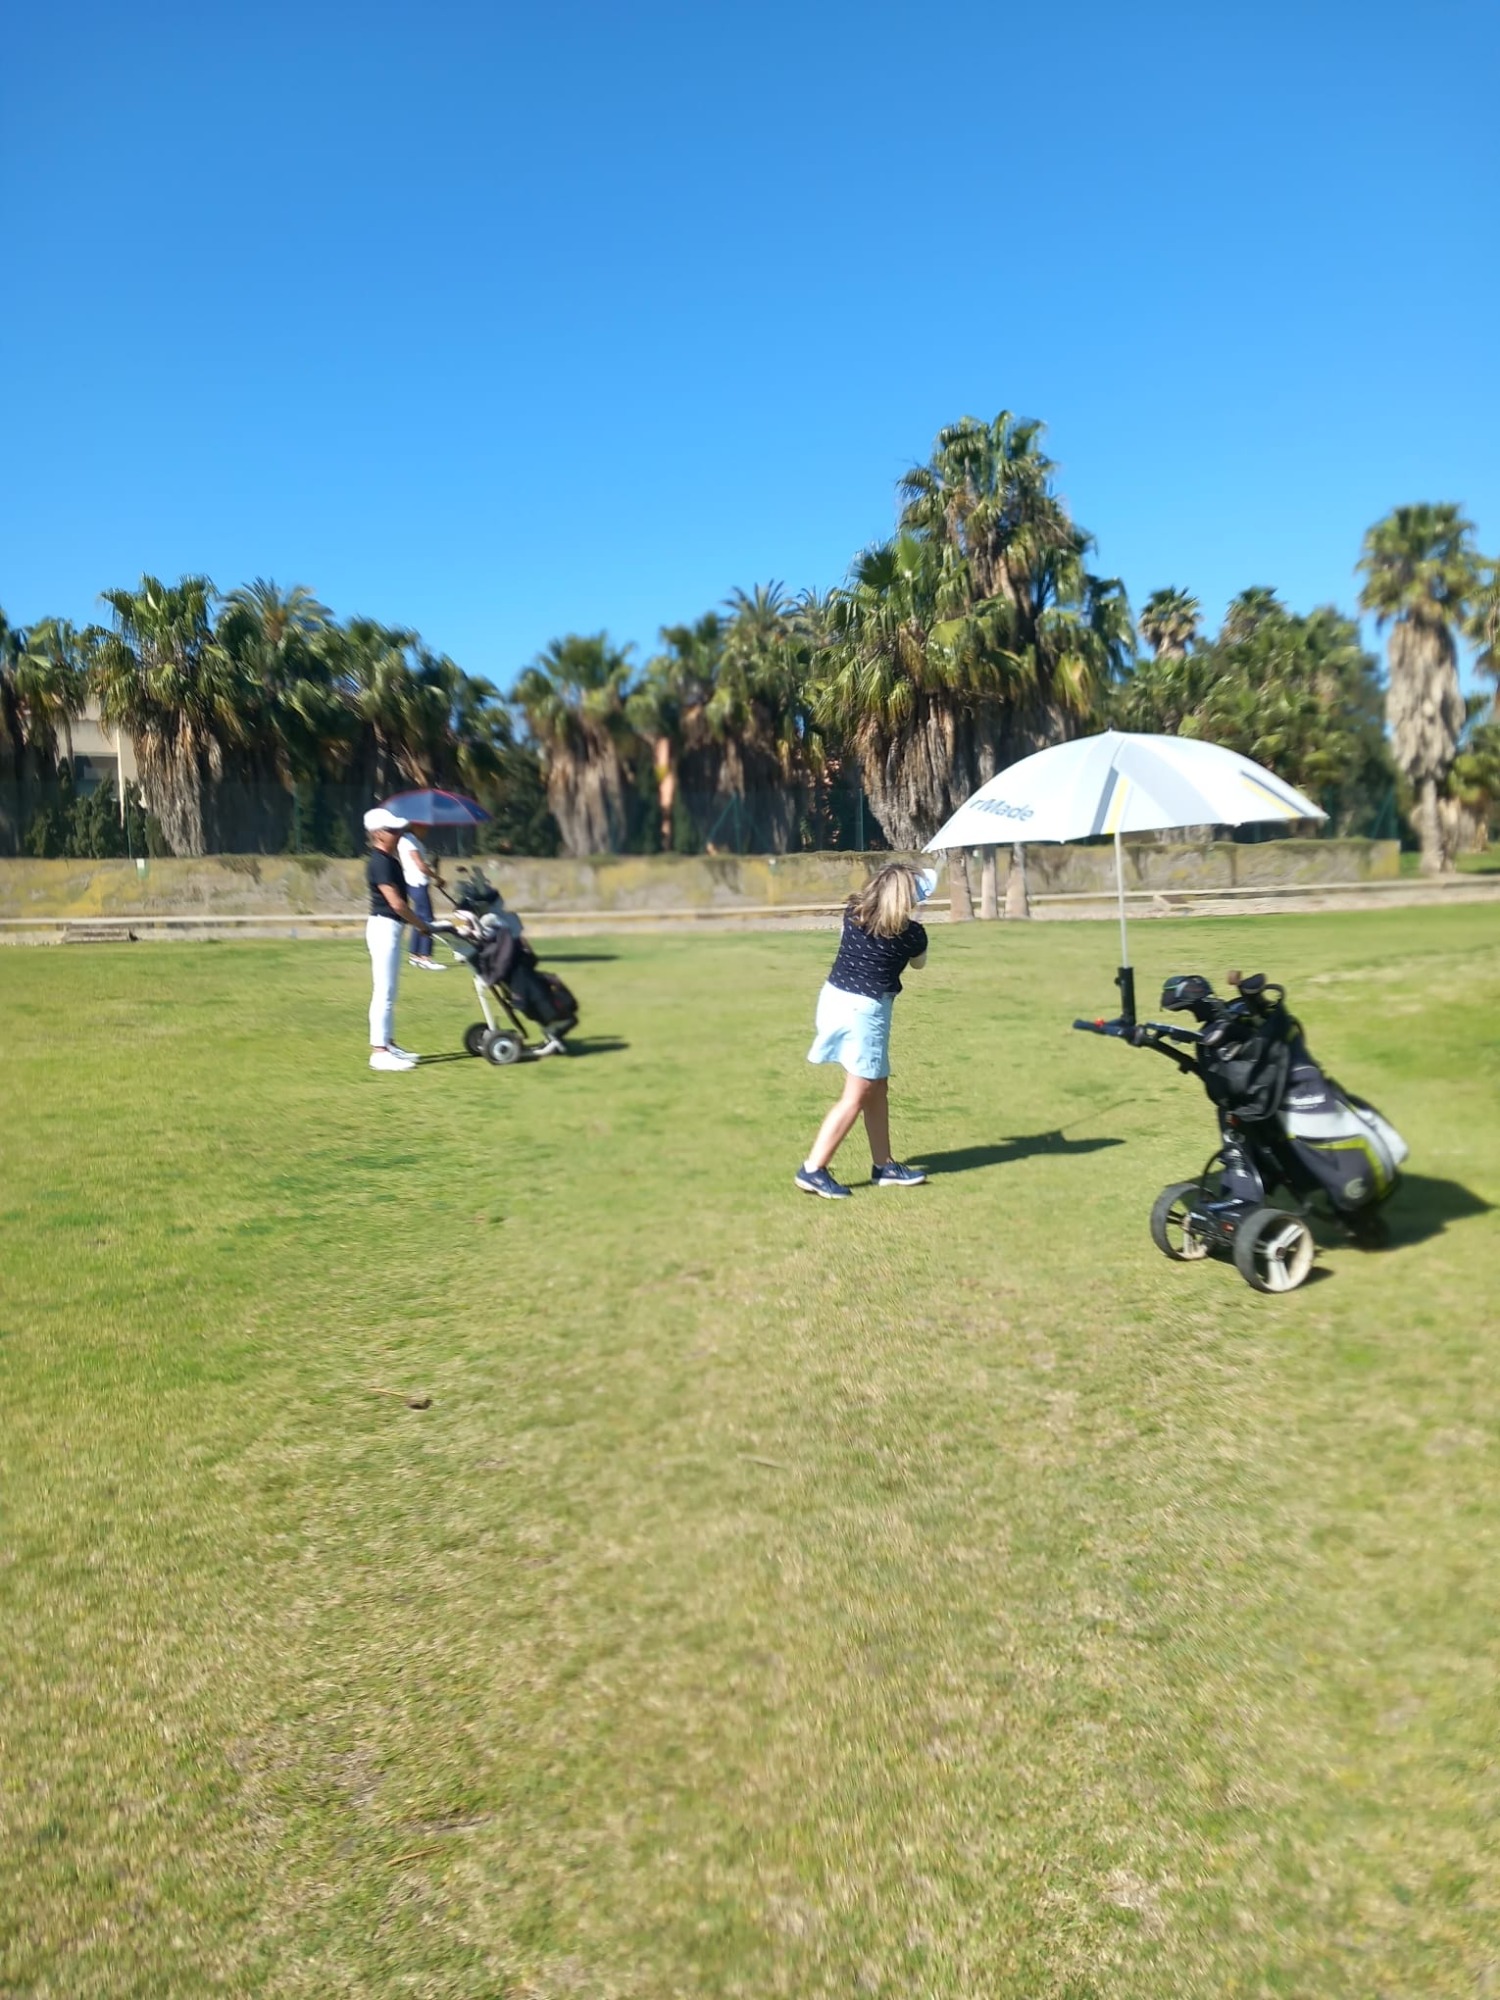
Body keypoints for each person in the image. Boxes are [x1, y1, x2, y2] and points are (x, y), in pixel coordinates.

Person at [796, 862, 935, 1198]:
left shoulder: (852, 913)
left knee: (877, 1084)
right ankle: (813, 1169)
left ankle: (883, 1166)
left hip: (834, 999)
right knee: (857, 1094)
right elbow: (919, 964)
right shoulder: (912, 934)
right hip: (865, 1011)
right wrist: (916, 931)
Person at [364, 807, 432, 1071]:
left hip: (391, 928)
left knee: (390, 991)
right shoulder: (379, 862)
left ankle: (389, 1045)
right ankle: (379, 1052)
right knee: (384, 991)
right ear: (378, 834)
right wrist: (421, 925)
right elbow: (397, 904)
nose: (398, 834)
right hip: (384, 927)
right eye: (393, 830)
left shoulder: (389, 860)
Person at [397, 822, 445, 971]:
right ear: (416, 827)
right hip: (417, 883)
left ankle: (414, 954)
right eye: (424, 827)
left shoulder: (408, 839)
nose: (426, 831)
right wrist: (437, 877)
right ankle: (425, 956)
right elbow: (420, 865)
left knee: (418, 919)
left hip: (413, 883)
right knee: (427, 919)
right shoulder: (410, 840)